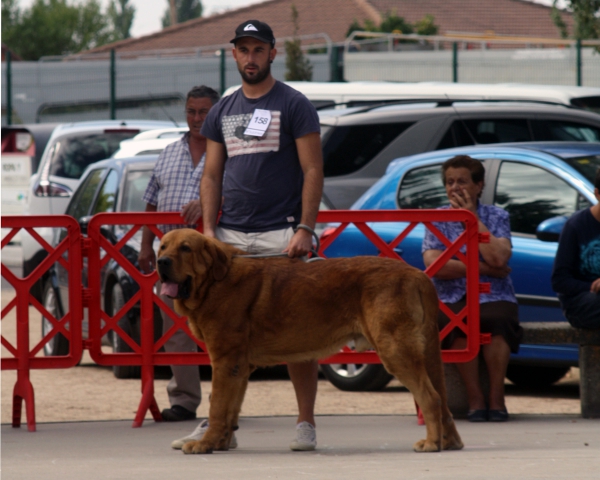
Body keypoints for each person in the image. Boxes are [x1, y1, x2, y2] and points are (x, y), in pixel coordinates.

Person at [170, 19, 324, 452]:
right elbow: (213, 173)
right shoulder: (222, 109)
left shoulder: (294, 104)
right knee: (223, 337)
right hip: (231, 241)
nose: (251, 57)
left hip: (284, 234)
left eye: (259, 50)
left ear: (272, 53)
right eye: (244, 50)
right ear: (234, 54)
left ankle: (305, 422)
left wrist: (306, 228)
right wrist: (206, 233)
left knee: (298, 333)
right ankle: (224, 425)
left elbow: (313, 169)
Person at [138, 85, 220, 422]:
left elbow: (241, 196)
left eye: (204, 112)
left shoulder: (227, 151)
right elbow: (151, 202)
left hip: (211, 261)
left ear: (216, 113)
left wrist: (207, 203)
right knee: (175, 331)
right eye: (191, 111)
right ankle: (184, 401)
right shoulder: (168, 152)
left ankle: (223, 404)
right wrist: (146, 245)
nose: (197, 118)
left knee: (222, 330)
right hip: (173, 261)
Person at [422, 155, 523, 423]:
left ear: (479, 186)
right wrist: (485, 268)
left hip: (493, 292)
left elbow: (499, 257)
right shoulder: (437, 218)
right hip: (450, 294)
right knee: (457, 321)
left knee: (497, 321)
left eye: (462, 182)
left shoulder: (497, 216)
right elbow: (435, 264)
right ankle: (475, 398)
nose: (455, 187)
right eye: (449, 182)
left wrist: (472, 219)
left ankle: (497, 399)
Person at [551, 167, 600, 329]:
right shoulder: (576, 226)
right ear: (597, 194)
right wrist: (592, 286)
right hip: (582, 301)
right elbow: (560, 281)